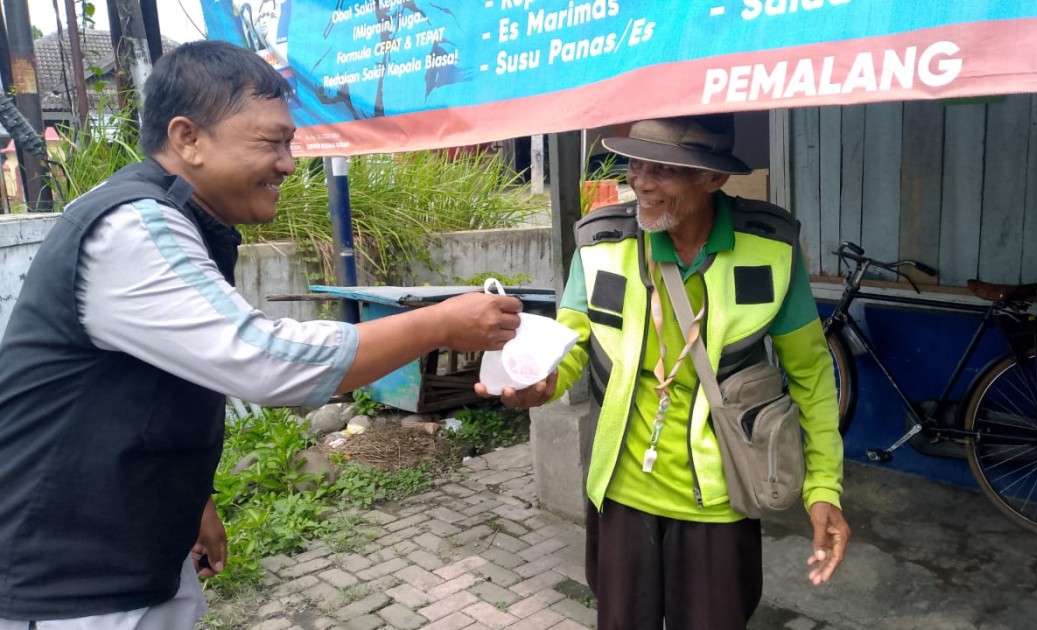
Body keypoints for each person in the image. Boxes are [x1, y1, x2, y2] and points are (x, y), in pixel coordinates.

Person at [0, 41, 522, 629]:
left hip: (132, 548)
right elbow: (268, 360)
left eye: (290, 144)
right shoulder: (135, 227)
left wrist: (191, 498)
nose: (288, 164)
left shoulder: (179, 217)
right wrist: (440, 322)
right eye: (271, 142)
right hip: (72, 583)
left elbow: (158, 380)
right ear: (187, 138)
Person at [478, 114, 850, 629]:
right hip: (621, 492)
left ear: (713, 178)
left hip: (719, 501)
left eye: (665, 170)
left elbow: (811, 373)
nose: (641, 181)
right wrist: (542, 382)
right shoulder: (600, 243)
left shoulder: (770, 249)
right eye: (635, 163)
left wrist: (823, 487)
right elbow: (573, 340)